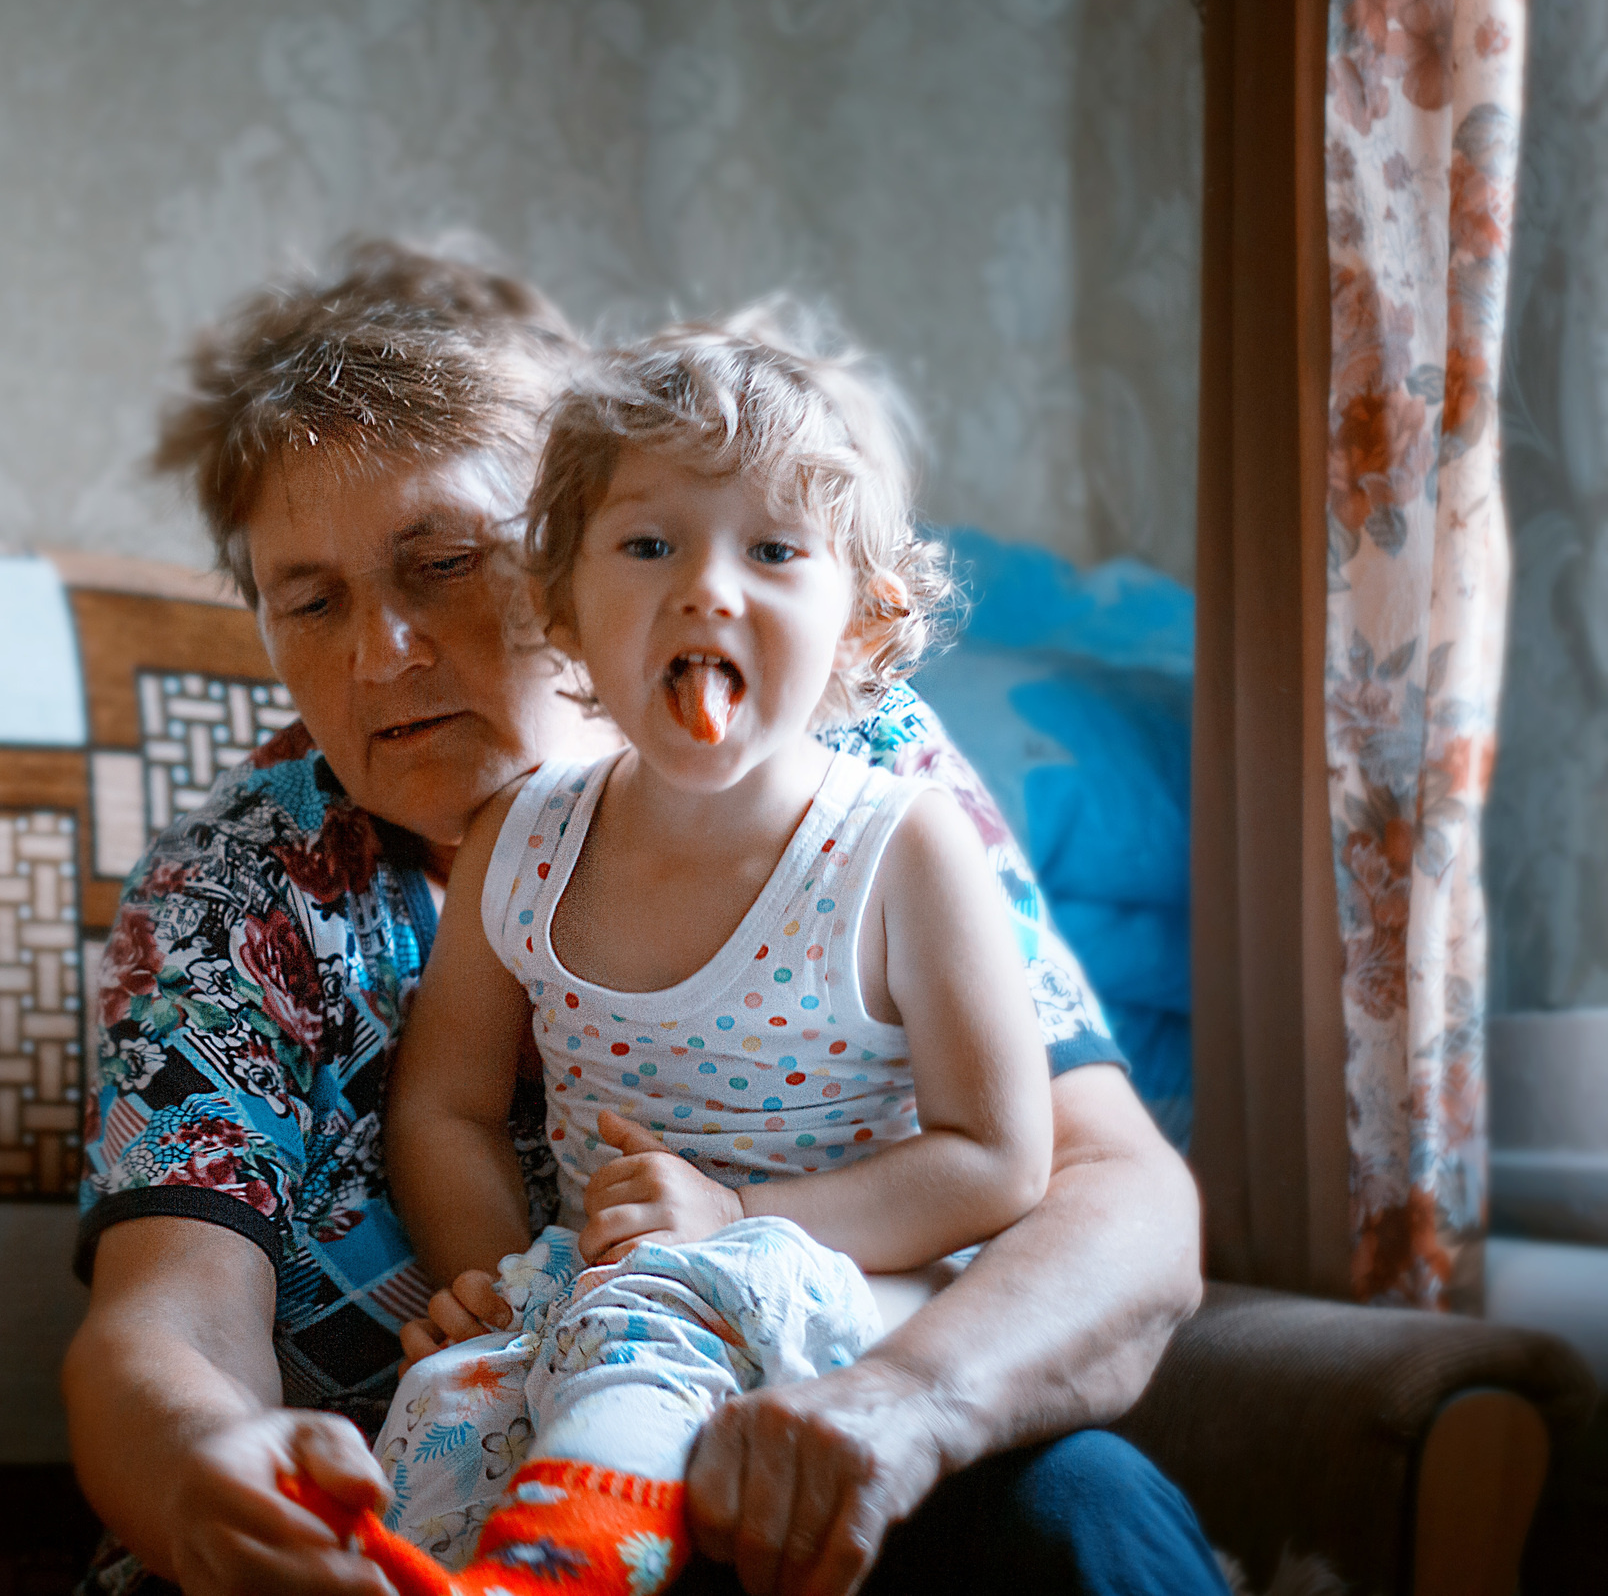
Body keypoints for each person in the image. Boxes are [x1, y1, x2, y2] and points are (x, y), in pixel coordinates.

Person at [63, 241, 1220, 1596]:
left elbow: (1116, 1195)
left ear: (563, 557)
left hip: (815, 1403)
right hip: (438, 1494)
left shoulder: (853, 767)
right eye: (308, 600)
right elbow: (169, 1311)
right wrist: (219, 1466)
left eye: (442, 561)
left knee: (1082, 1508)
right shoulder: (239, 895)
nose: (380, 651)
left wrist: (901, 1406)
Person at [318, 307, 1060, 1596]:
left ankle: (569, 1561)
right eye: (649, 543)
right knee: (453, 1391)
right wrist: (494, 1284)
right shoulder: (526, 843)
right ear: (561, 602)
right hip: (595, 1288)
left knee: (646, 1314)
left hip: (845, 1293)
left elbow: (999, 1157)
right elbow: (445, 1105)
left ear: (864, 627)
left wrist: (737, 1217)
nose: (707, 587)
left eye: (773, 551)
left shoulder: (900, 849)